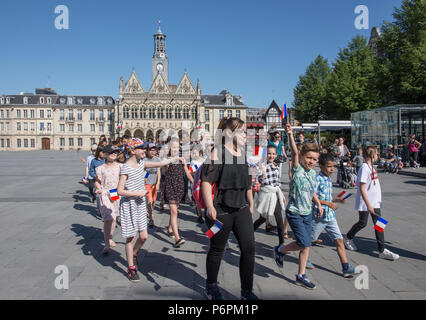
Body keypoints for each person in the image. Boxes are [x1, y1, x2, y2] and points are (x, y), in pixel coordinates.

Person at [201, 117, 259, 300]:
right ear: (229, 133)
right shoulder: (217, 152)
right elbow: (206, 181)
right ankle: (211, 287)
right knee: (217, 249)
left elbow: (247, 183)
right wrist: (209, 206)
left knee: (249, 249)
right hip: (221, 211)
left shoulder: (242, 152)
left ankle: (246, 292)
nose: (245, 135)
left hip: (241, 209)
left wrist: (251, 204)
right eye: (242, 131)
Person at [117, 138, 180, 282]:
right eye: (141, 148)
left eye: (145, 148)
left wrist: (173, 158)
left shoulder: (141, 164)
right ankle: (131, 268)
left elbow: (160, 163)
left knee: (144, 236)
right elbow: (120, 191)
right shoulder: (126, 167)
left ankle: (134, 253)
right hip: (129, 205)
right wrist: (138, 193)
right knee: (130, 237)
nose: (144, 151)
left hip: (139, 204)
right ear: (132, 151)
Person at [274, 122, 322, 290]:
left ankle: (301, 275)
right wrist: (290, 134)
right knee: (303, 242)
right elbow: (294, 151)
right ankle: (281, 249)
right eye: (309, 158)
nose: (311, 161)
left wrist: (317, 203)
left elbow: (311, 191)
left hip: (307, 212)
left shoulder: (313, 174)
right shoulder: (297, 169)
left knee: (306, 244)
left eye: (315, 159)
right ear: (302, 157)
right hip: (294, 212)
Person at [343, 146, 399, 261]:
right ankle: (348, 237)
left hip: (375, 202)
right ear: (372, 155)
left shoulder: (372, 167)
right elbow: (362, 188)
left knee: (379, 223)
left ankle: (381, 249)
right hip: (367, 203)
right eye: (377, 154)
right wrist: (368, 204)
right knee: (363, 223)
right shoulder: (364, 168)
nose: (378, 156)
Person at [306, 153, 357, 277]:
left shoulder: (328, 179)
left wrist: (337, 200)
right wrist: (328, 204)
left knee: (339, 240)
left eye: (333, 166)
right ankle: (294, 254)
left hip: (330, 217)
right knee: (308, 240)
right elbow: (312, 197)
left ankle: (345, 267)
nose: (332, 169)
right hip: (319, 217)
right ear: (321, 166)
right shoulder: (317, 179)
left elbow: (327, 196)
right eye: (329, 166)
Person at [253, 145, 287, 246]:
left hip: (275, 195)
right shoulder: (263, 165)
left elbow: (277, 182)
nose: (271, 156)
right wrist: (263, 173)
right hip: (266, 195)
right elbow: (260, 180)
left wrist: (282, 195)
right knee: (263, 218)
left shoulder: (276, 166)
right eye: (269, 153)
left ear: (276, 155)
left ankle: (281, 244)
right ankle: (251, 232)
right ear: (266, 154)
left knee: (279, 219)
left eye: (273, 154)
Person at [163, 137, 194, 248]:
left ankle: (170, 228)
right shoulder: (167, 159)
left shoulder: (182, 159)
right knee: (174, 212)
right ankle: (177, 238)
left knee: (175, 209)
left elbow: (187, 173)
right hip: (170, 186)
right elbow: (165, 172)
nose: (175, 149)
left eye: (177, 147)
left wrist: (195, 183)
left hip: (180, 187)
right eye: (173, 147)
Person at [94, 145, 122, 254]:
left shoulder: (120, 166)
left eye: (115, 152)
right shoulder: (100, 168)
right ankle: (106, 244)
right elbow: (97, 181)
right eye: (111, 152)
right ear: (105, 155)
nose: (114, 154)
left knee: (114, 215)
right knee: (107, 217)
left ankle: (110, 238)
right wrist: (98, 188)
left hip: (115, 192)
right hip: (105, 193)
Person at [144, 143, 161, 228]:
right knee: (149, 201)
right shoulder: (144, 160)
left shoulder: (157, 159)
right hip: (147, 183)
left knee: (153, 201)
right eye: (151, 150)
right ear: (147, 151)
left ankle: (150, 212)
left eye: (154, 150)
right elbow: (144, 171)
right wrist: (145, 178)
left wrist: (158, 183)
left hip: (155, 183)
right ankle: (151, 219)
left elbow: (158, 171)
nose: (152, 151)